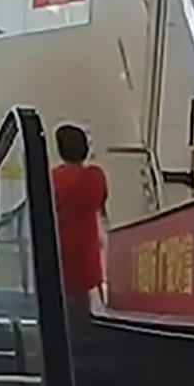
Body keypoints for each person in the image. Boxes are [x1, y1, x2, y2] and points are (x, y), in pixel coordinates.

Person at [50, 124, 109, 325]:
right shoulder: (96, 177)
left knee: (62, 299)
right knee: (82, 300)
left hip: (61, 247)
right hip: (87, 249)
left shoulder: (54, 178)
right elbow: (101, 202)